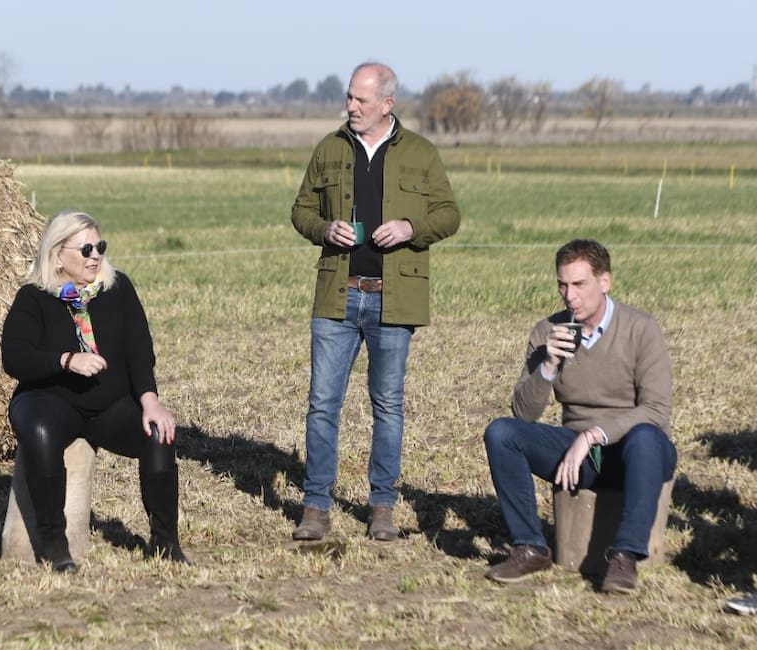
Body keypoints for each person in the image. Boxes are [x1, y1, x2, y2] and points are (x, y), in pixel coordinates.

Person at [290, 62, 460, 543]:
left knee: (388, 407)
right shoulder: (328, 148)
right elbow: (300, 210)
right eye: (349, 97)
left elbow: (449, 214)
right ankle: (316, 507)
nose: (351, 107)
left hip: (393, 302)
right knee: (322, 404)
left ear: (387, 104)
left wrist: (411, 228)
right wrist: (324, 229)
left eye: (361, 100)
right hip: (337, 299)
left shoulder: (421, 153)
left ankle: (381, 506)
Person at [483, 239, 677, 594]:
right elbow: (524, 413)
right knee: (501, 433)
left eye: (579, 284)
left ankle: (624, 557)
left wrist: (594, 434)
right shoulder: (547, 331)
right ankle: (530, 546)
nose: (569, 296)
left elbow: (656, 411)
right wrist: (549, 366)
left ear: (605, 282)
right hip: (578, 452)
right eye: (562, 284)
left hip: (637, 450)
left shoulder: (641, 328)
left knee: (646, 437)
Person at [0, 211, 189, 572]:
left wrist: (150, 400)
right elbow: (15, 357)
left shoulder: (118, 289)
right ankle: (54, 544)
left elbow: (138, 350)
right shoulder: (33, 297)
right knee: (39, 433)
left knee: (159, 434)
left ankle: (166, 543)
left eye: (99, 246)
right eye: (85, 249)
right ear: (58, 254)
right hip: (48, 400)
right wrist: (67, 360)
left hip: (107, 405)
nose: (95, 255)